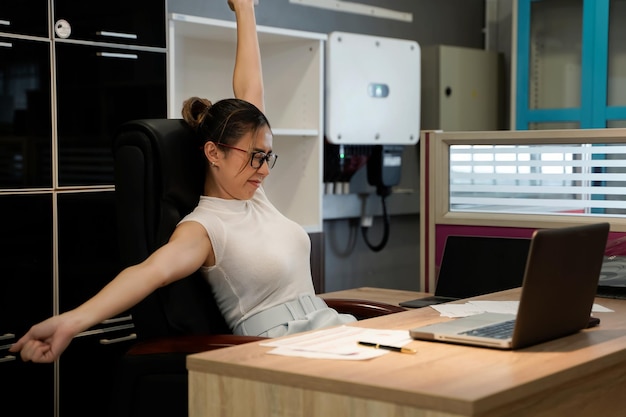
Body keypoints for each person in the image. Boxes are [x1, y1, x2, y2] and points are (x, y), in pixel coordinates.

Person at [10, 0, 355, 364]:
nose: (264, 168)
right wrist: (70, 322)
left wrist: (244, 9)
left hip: (330, 330)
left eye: (267, 156)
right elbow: (148, 273)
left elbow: (251, 91)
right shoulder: (204, 228)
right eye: (255, 156)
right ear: (213, 152)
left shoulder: (255, 197)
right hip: (280, 352)